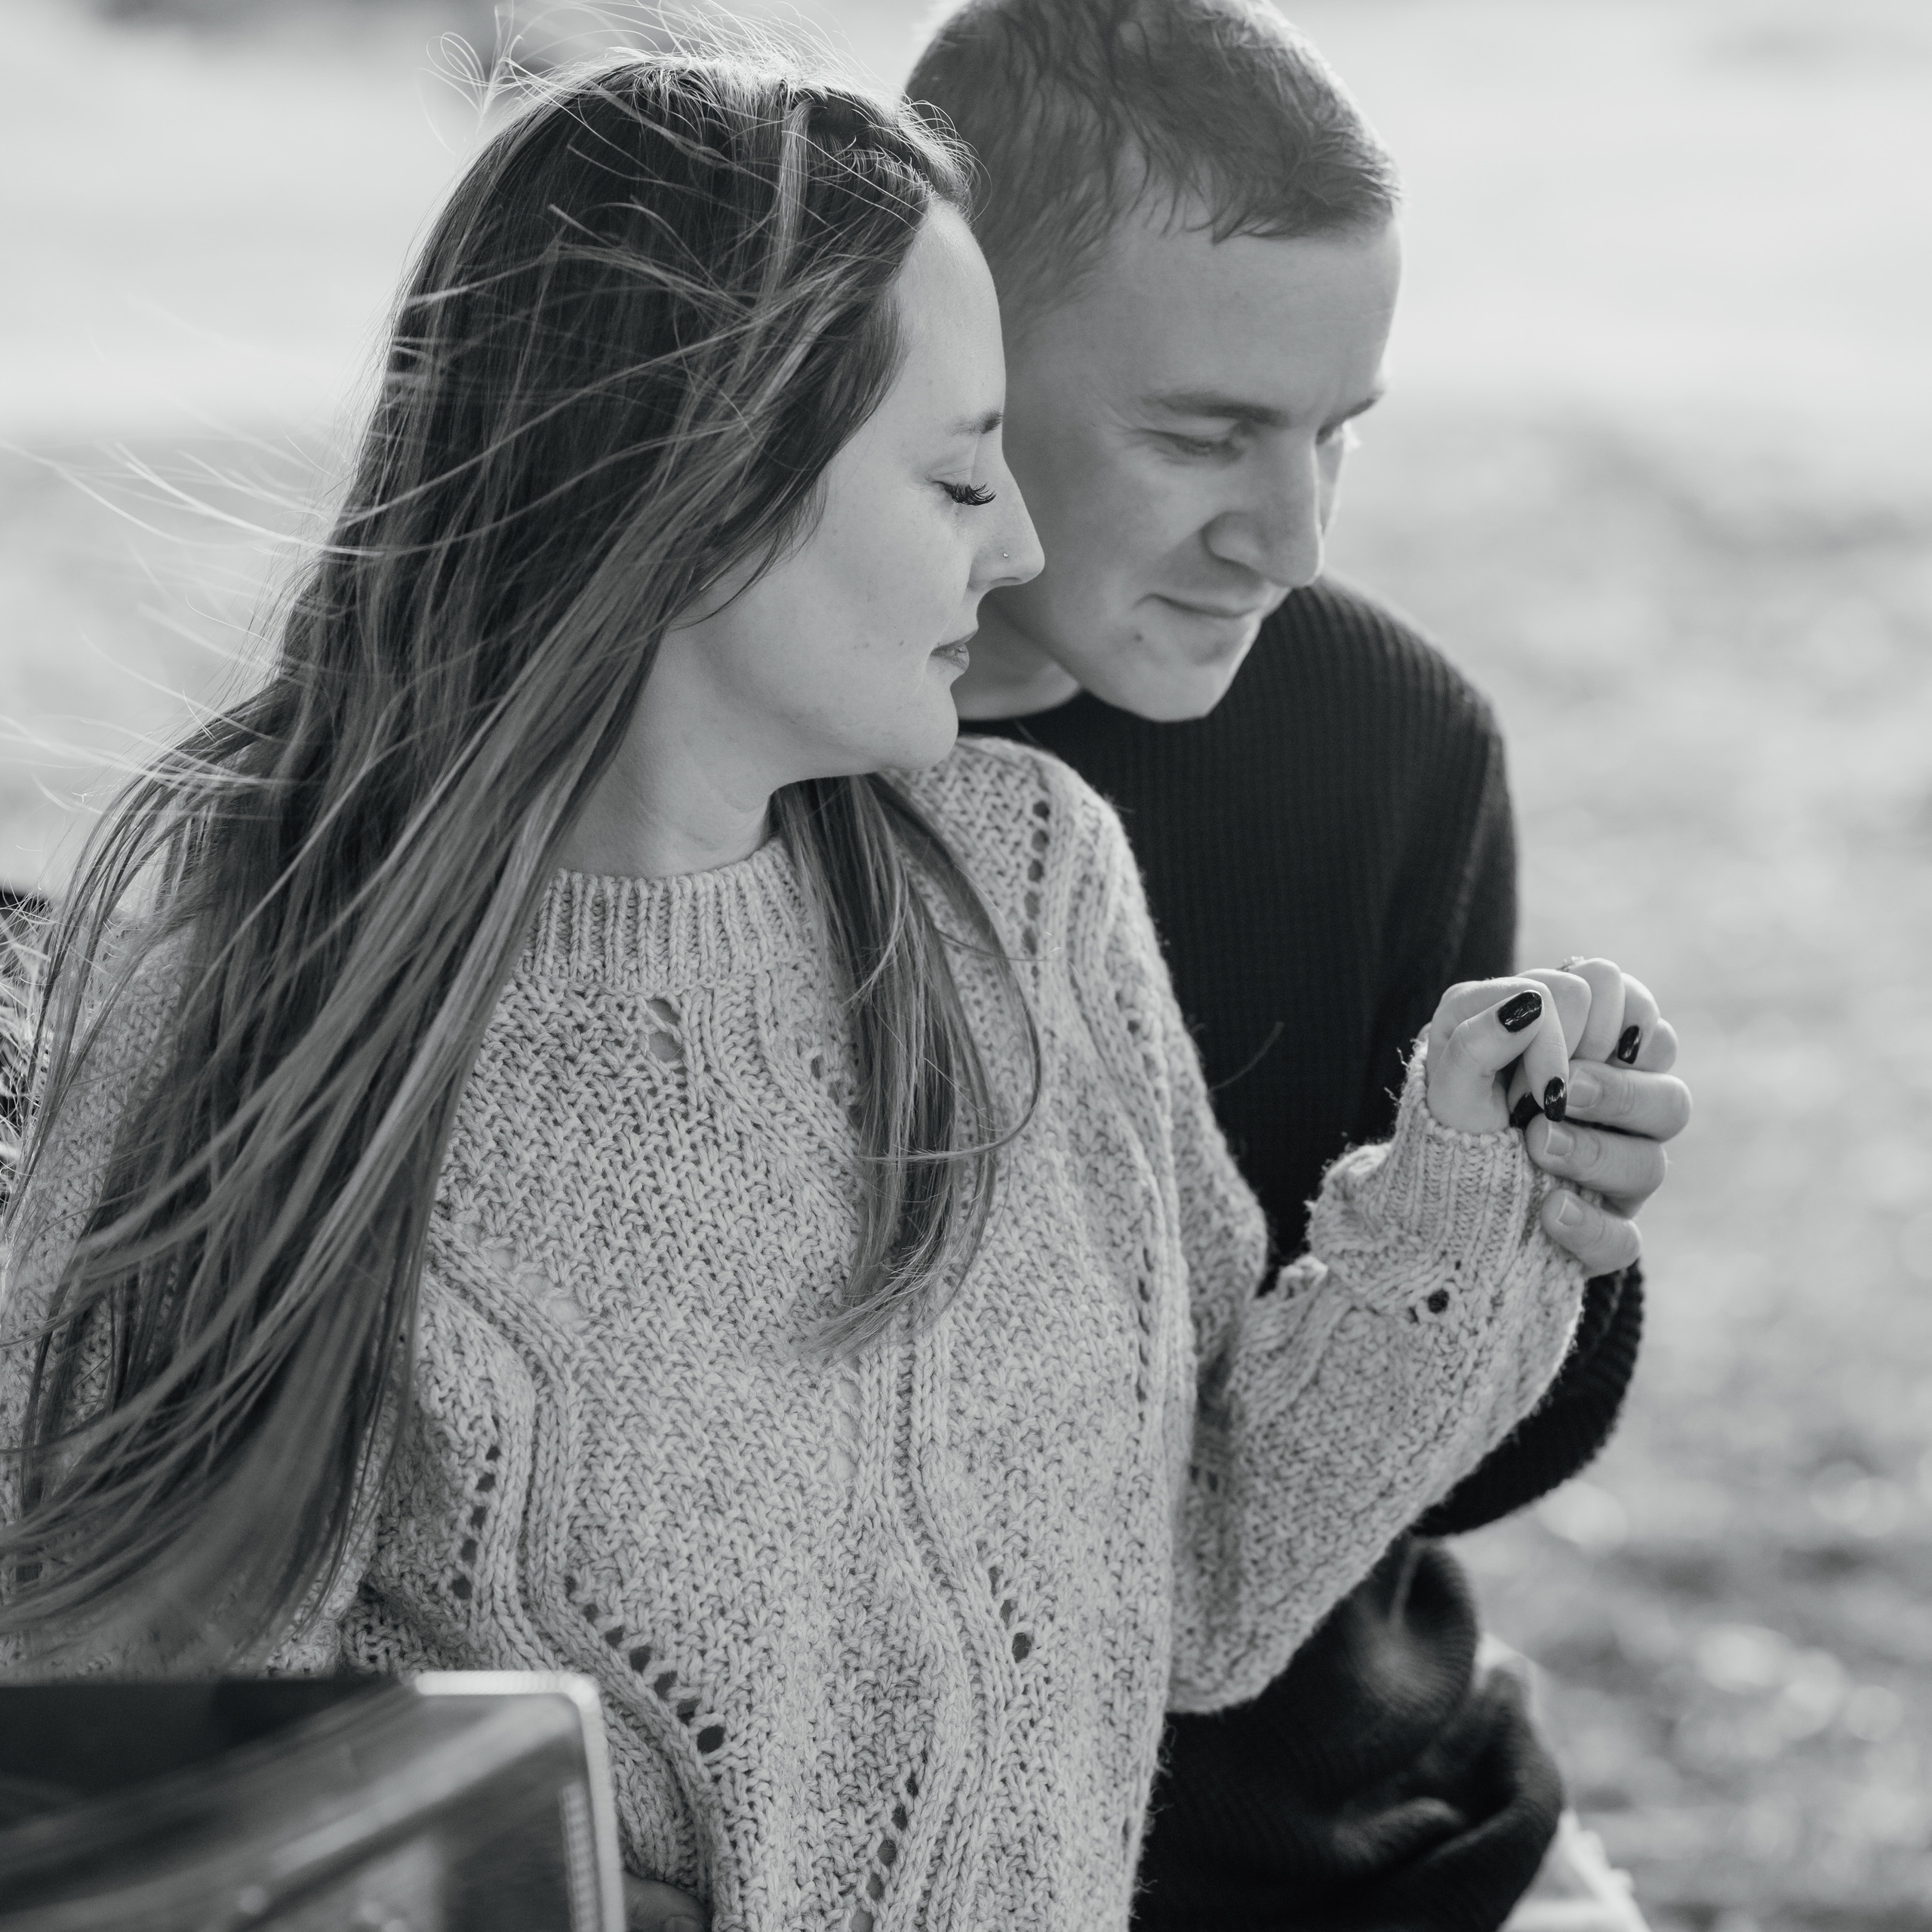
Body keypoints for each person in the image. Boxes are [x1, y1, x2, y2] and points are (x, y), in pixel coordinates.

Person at [2, 50, 1654, 1932]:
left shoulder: (1026, 887)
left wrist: (1472, 1204)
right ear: (701, 481)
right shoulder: (258, 1012)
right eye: (960, 472)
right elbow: (106, 1754)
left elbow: (1199, 1585)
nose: (1017, 543)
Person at [905, 2, 1691, 1927]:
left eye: (1335, 431)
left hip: (1356, 1827)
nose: (1286, 534)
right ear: (941, 357)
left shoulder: (1386, 736)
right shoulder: (752, 742)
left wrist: (1537, 1248)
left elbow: (1397, 1476)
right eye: (1202, 435)